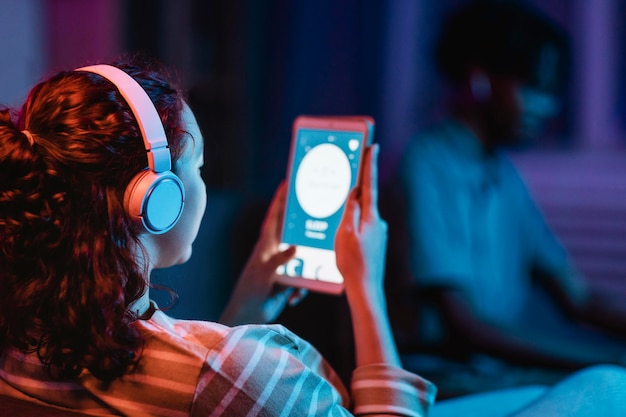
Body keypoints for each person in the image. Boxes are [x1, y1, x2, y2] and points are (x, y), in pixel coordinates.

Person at [1, 55, 625, 417]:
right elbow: (222, 382)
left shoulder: (20, 347)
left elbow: (187, 380)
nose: (204, 183)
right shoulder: (240, 370)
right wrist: (366, 288)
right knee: (606, 387)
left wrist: (247, 303)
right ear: (153, 201)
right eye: (198, 168)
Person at [391, 0, 626, 394]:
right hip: (436, 379)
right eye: (533, 87)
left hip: (490, 374)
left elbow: (578, 296)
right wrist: (606, 359)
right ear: (478, 81)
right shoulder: (425, 163)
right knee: (607, 389)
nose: (547, 107)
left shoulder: (503, 175)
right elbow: (466, 326)